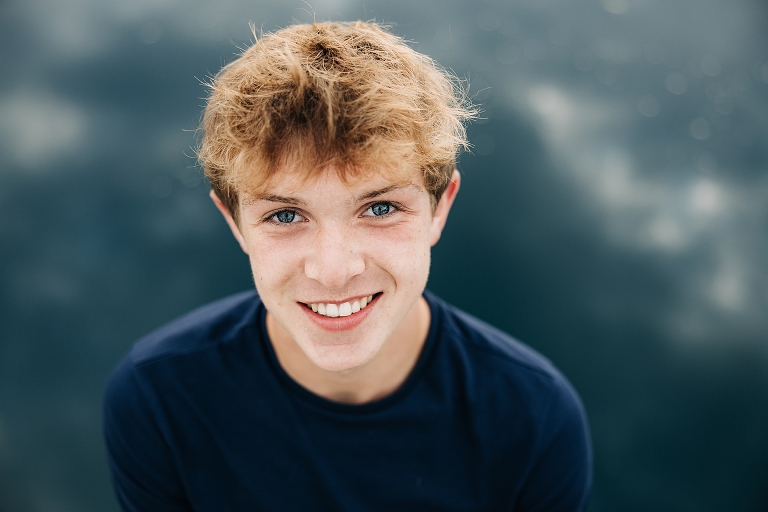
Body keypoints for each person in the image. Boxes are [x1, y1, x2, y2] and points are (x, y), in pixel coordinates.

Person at [103, 20, 592, 511]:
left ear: (439, 209)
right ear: (235, 225)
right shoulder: (158, 400)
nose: (334, 271)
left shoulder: (535, 416)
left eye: (380, 208)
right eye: (285, 215)